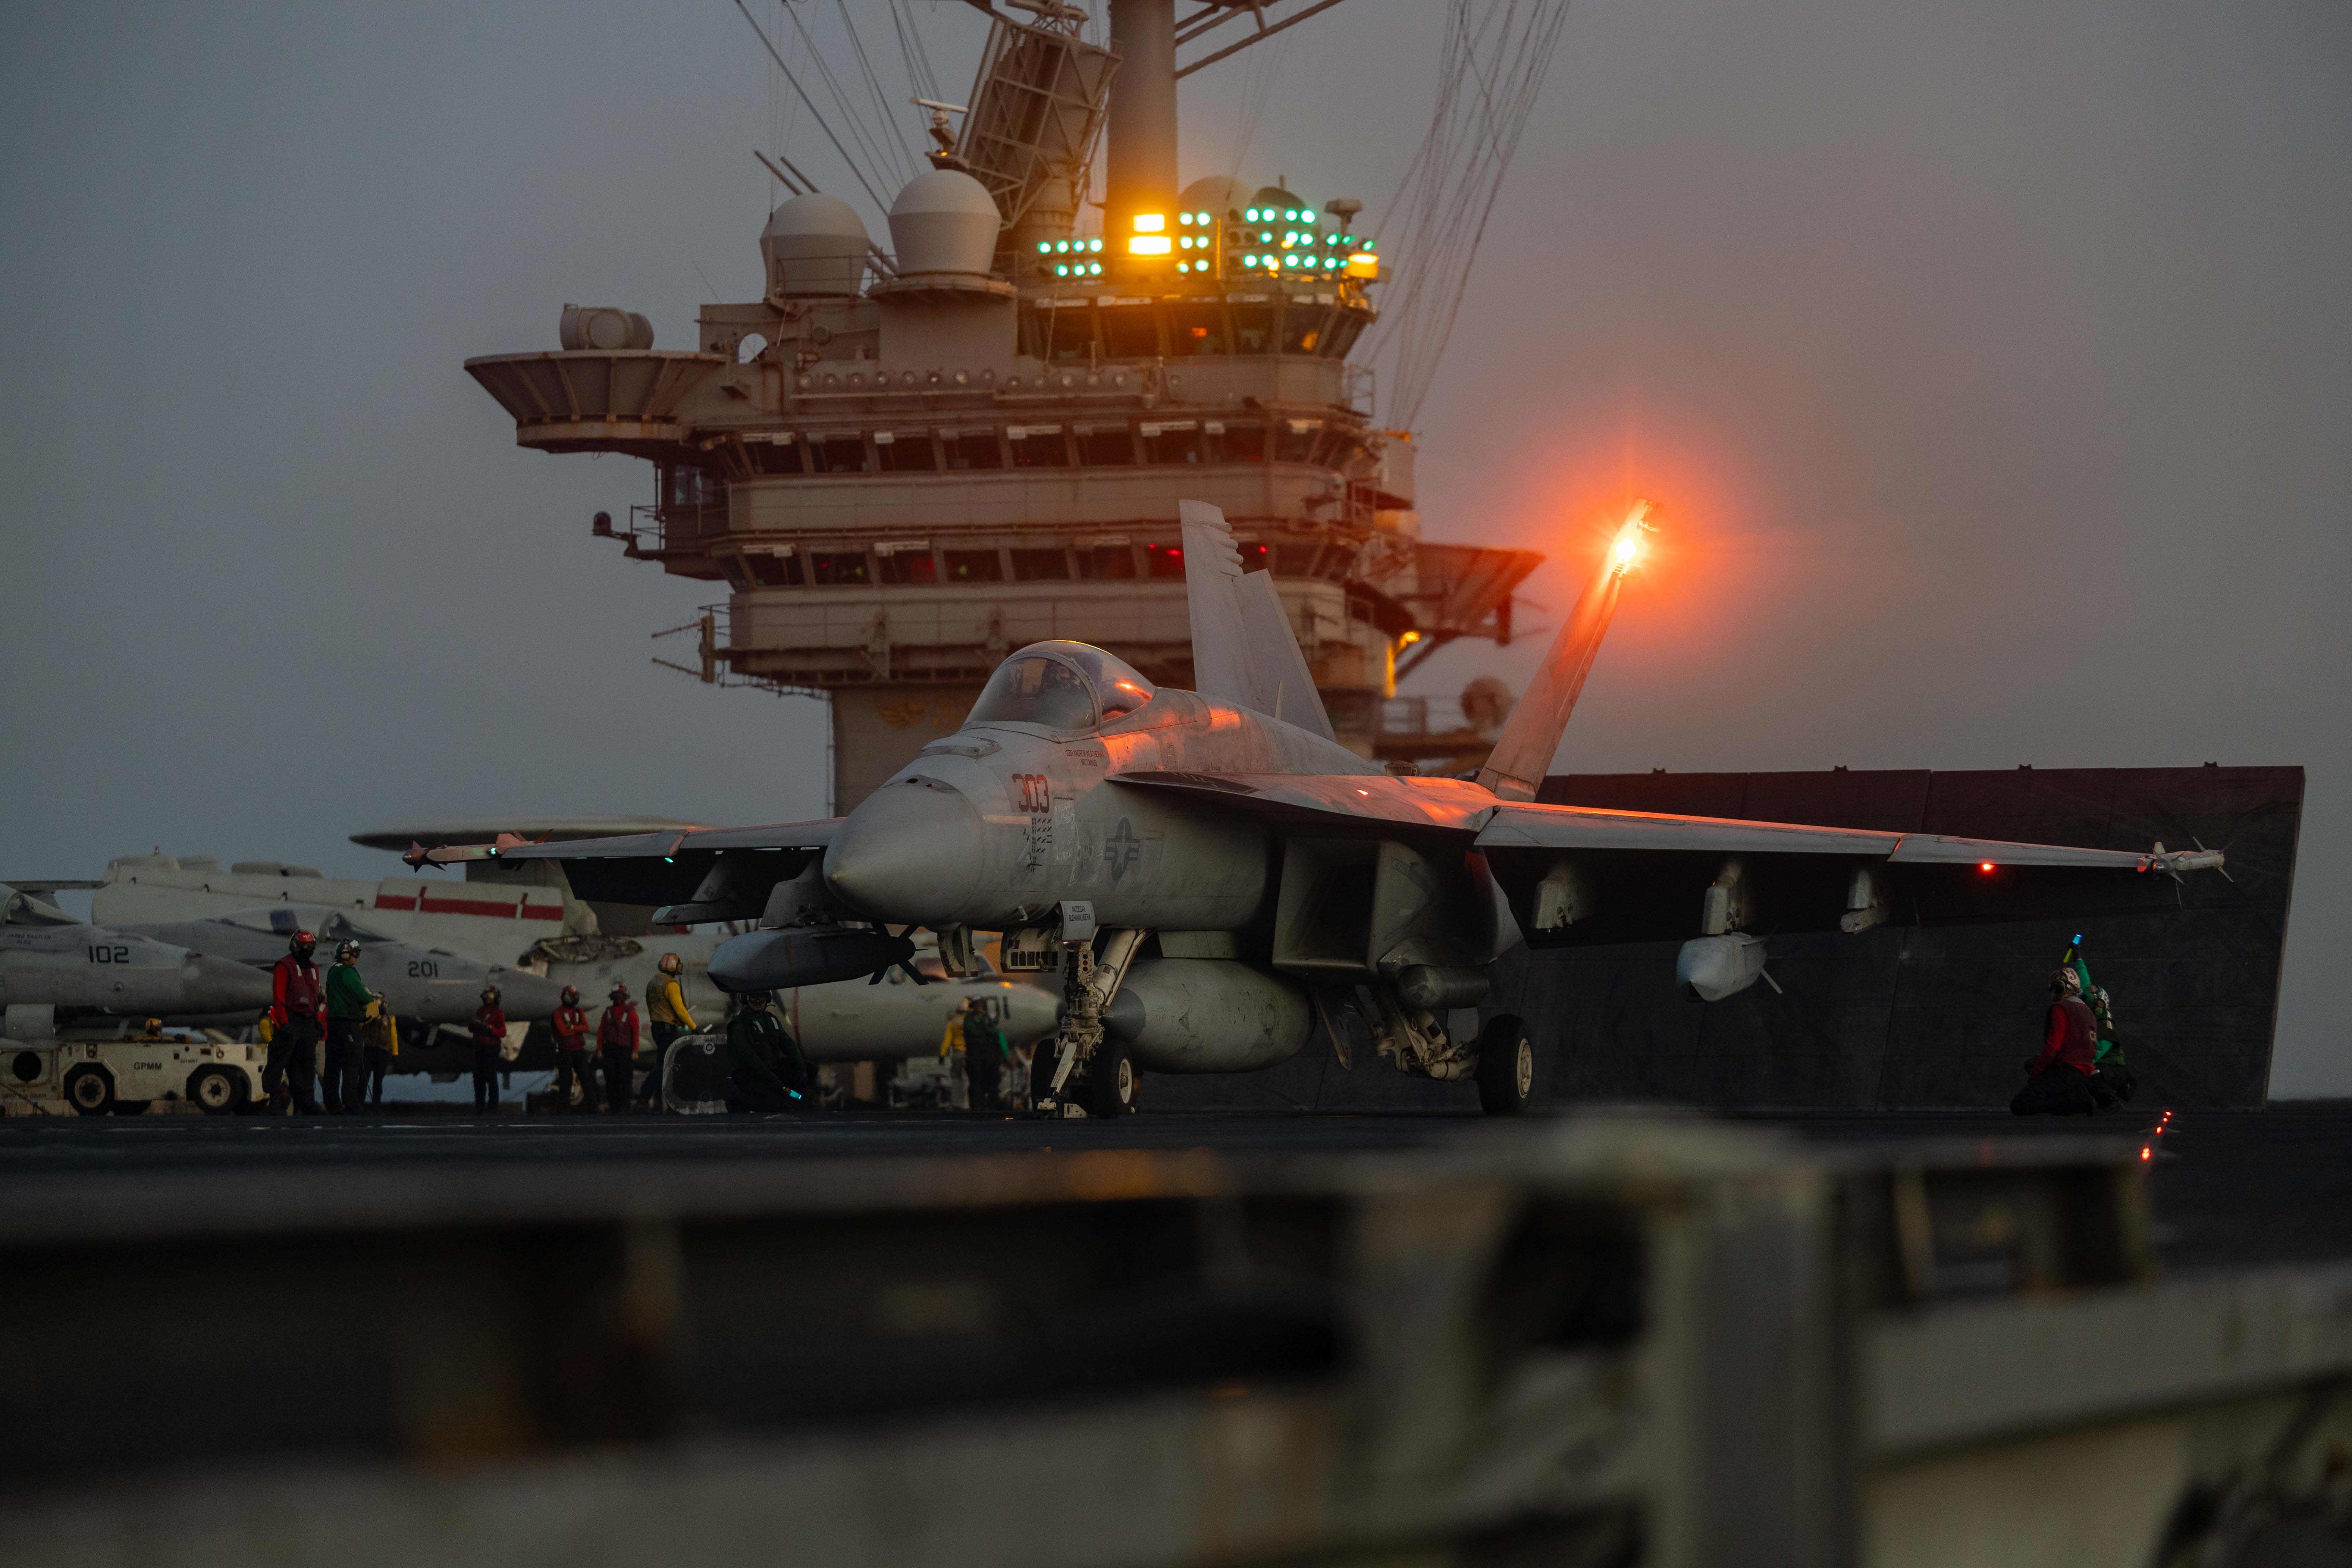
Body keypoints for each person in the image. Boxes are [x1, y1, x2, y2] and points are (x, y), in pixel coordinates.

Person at [2012, 967, 2102, 1115]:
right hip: (2083, 1071)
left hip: (2067, 1070)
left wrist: (2036, 1073)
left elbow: (2053, 1047)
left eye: (2054, 987)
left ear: (2061, 987)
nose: (2051, 991)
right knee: (2033, 1068)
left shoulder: (2061, 1008)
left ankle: (2077, 1101)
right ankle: (2076, 1094)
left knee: (2020, 1105)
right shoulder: (2088, 1011)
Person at [2062, 938, 2136, 1103]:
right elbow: (2085, 981)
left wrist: (2071, 1062)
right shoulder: (2096, 1016)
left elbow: (2095, 1054)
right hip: (2105, 1068)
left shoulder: (2105, 1026)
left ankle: (2110, 1102)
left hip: (2112, 1071)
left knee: (2085, 1072)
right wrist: (2078, 957)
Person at [265, 928, 325, 1114]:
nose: (309, 950)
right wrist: (283, 1024)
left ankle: (305, 1103)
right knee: (279, 1061)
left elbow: (314, 998)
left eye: (311, 946)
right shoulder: (285, 966)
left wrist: (317, 1022)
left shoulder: (314, 968)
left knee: (307, 1064)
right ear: (296, 946)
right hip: (290, 1019)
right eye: (305, 946)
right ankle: (274, 1102)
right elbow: (279, 998)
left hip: (307, 1022)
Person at [724, 991, 810, 1112]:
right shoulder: (738, 1024)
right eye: (754, 997)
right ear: (746, 999)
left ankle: (797, 1101)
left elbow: (787, 1043)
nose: (759, 1001)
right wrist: (770, 1077)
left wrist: (801, 1067)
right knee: (775, 1104)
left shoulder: (772, 1021)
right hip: (751, 1074)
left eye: (762, 997)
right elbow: (748, 1054)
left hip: (770, 1071)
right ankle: (741, 1099)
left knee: (809, 1071)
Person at [322, 940, 377, 1114]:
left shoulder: (333, 971)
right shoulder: (348, 972)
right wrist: (371, 997)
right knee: (352, 1064)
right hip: (348, 1025)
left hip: (334, 1024)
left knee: (332, 1065)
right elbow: (363, 996)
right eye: (354, 954)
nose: (356, 958)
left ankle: (333, 1103)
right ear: (346, 954)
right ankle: (351, 1103)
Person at [641, 953, 697, 1112]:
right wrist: (693, 1026)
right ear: (672, 965)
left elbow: (649, 1003)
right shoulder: (671, 985)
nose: (680, 967)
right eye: (678, 964)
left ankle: (662, 1102)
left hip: (656, 1027)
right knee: (665, 1066)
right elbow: (680, 1009)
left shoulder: (654, 982)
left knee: (664, 1064)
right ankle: (644, 1098)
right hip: (667, 1028)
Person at [598, 982, 640, 1114]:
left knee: (625, 1079)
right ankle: (614, 1107)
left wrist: (635, 1050)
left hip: (625, 1051)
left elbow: (635, 1032)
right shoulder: (608, 1012)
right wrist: (599, 1049)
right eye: (616, 995)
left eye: (620, 995)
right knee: (611, 1079)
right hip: (610, 1050)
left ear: (624, 996)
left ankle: (627, 1105)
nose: (618, 997)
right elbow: (601, 1031)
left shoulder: (630, 1012)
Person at [550, 984, 592, 1112]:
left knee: (586, 1078)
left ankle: (593, 1107)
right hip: (565, 1051)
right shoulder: (558, 1013)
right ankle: (564, 1109)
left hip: (578, 1050)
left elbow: (586, 1027)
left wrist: (573, 1028)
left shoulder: (579, 1012)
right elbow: (563, 1032)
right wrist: (577, 1030)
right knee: (566, 1080)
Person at [962, 998, 1008, 1112]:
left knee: (989, 1080)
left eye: (981, 1005)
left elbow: (994, 1031)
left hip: (986, 1056)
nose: (980, 1008)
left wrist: (984, 1028)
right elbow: (974, 1031)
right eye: (977, 1005)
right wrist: (985, 1029)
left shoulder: (985, 1018)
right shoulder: (969, 1019)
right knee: (976, 1080)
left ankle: (990, 1105)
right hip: (974, 1055)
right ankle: (977, 1105)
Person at [469, 984, 508, 1116]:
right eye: (487, 996)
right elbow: (472, 1028)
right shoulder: (480, 1011)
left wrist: (490, 1029)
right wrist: (474, 1024)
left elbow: (502, 1032)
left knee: (490, 1076)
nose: (488, 998)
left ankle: (493, 1107)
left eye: (491, 996)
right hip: (479, 1047)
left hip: (491, 1047)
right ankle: (480, 1107)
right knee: (478, 1077)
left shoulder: (498, 1013)